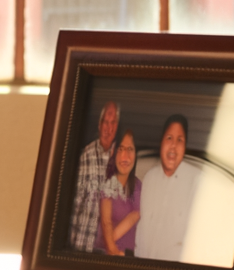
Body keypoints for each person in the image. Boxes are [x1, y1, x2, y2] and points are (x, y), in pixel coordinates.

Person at [135, 114, 203, 261]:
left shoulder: (196, 182)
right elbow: (142, 230)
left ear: (185, 147)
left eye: (180, 140)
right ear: (161, 142)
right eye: (169, 138)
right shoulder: (149, 178)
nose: (173, 145)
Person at [70, 101, 120, 252]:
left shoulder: (121, 159)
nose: (108, 128)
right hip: (81, 243)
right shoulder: (86, 155)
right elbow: (74, 203)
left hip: (105, 250)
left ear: (116, 127)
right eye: (105, 122)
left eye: (113, 123)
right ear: (99, 125)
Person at [99, 129, 143, 256]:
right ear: (113, 152)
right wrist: (112, 248)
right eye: (121, 149)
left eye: (130, 149)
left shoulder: (138, 186)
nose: (125, 156)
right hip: (106, 253)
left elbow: (135, 215)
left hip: (127, 255)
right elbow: (106, 221)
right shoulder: (107, 184)